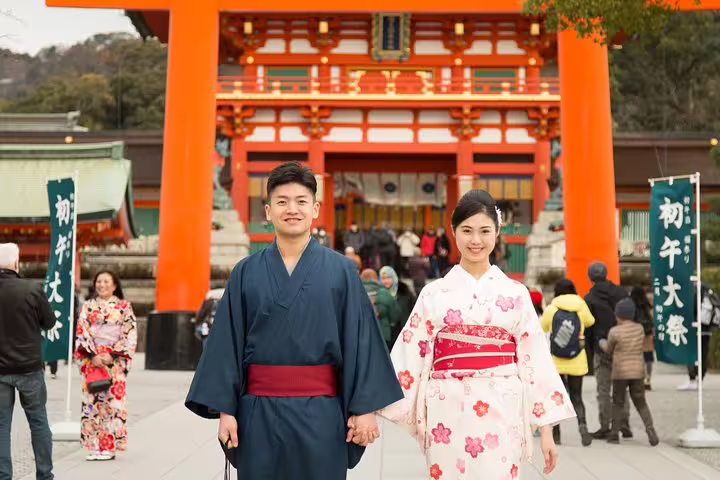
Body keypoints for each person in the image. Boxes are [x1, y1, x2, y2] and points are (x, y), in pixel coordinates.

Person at [185, 162, 403, 480]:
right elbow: (225, 346)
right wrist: (226, 411)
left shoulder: (342, 271)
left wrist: (364, 409)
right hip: (258, 412)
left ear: (314, 209)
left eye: (301, 201)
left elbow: (363, 341)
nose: (292, 209)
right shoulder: (245, 272)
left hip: (323, 413)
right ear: (268, 210)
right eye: (282, 201)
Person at [380, 190, 574, 479]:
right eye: (467, 231)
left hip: (502, 403)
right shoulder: (434, 293)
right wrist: (369, 406)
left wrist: (546, 431)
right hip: (446, 404)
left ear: (497, 233)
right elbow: (410, 352)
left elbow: (535, 361)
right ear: (454, 233)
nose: (476, 240)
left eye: (485, 231)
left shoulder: (516, 294)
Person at [0, 243, 55, 480]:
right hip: (29, 367)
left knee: (1, 426)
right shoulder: (32, 289)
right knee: (38, 421)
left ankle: (3, 476)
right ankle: (44, 475)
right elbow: (50, 322)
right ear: (15, 263)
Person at [75, 270, 138, 461]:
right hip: (93, 361)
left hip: (114, 361)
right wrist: (93, 355)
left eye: (106, 281)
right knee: (92, 404)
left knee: (112, 404)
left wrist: (111, 354)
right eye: (98, 281)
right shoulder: (88, 306)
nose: (101, 285)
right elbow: (82, 331)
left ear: (114, 285)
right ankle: (93, 446)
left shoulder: (124, 306)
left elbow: (130, 332)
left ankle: (109, 447)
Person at [541, 278, 596, 447]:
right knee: (577, 396)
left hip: (556, 360)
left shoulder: (552, 308)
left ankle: (556, 434)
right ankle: (583, 427)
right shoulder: (581, 306)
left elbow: (543, 326)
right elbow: (590, 322)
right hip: (577, 358)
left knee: (556, 398)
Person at [601, 298, 659, 446]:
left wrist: (601, 342)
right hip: (637, 372)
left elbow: (608, 350)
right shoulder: (639, 328)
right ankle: (650, 430)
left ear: (618, 315)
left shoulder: (614, 331)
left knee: (618, 403)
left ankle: (614, 434)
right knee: (641, 403)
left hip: (620, 372)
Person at [583, 262, 630, 440]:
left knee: (603, 389)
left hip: (601, 347)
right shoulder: (621, 293)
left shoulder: (589, 298)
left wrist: (591, 346)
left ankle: (605, 425)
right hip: (623, 345)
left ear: (590, 277)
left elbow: (588, 327)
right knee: (622, 387)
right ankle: (624, 423)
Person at [678, 284, 720, 391]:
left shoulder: (693, 291)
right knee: (703, 353)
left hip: (695, 327)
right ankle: (699, 379)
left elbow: (690, 309)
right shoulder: (707, 289)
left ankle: (692, 379)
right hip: (707, 327)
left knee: (691, 353)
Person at [361, 268, 401, 349]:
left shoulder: (356, 292)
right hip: (383, 334)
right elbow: (396, 314)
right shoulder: (384, 293)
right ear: (376, 278)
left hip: (362, 334)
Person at [379, 265, 416, 345]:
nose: (386, 281)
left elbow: (412, 310)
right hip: (387, 335)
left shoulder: (405, 293)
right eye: (383, 278)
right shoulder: (378, 295)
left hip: (403, 333)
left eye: (389, 277)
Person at [630, 286, 655, 390]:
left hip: (635, 334)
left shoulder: (631, 305)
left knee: (636, 357)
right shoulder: (647, 305)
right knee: (648, 358)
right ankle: (648, 379)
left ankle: (639, 379)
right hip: (647, 334)